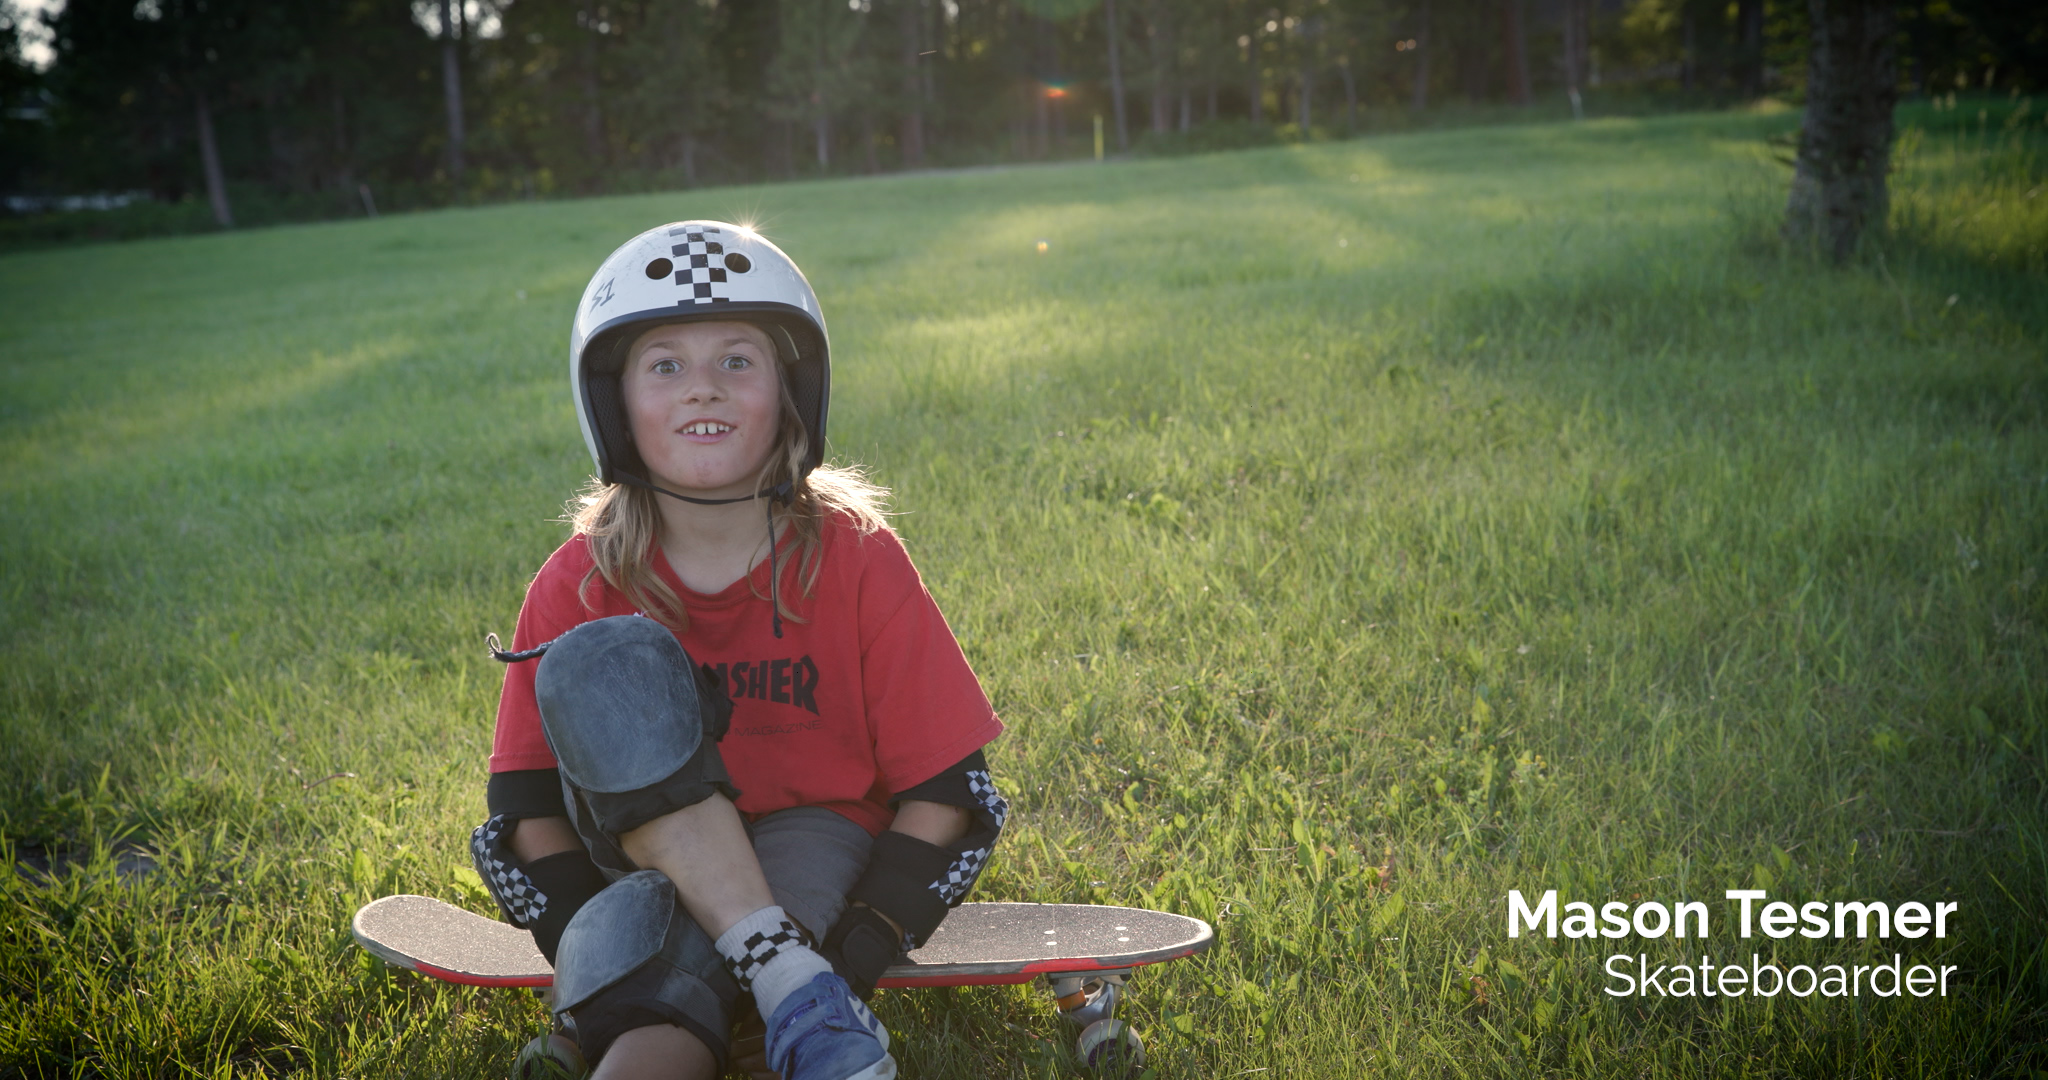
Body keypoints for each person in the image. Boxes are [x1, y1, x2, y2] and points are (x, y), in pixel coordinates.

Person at [470, 221, 1008, 1080]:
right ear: (615, 405)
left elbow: (947, 792)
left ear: (790, 394)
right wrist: (589, 953)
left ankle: (794, 995)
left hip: (813, 846)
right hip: (630, 861)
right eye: (666, 365)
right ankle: (785, 983)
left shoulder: (855, 556)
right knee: (608, 665)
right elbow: (527, 809)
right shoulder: (578, 580)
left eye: (737, 361)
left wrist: (859, 952)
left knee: (726, 1013)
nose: (703, 391)